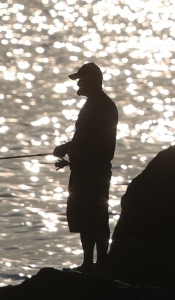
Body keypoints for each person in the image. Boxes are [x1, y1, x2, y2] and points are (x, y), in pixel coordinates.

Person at [52, 62, 119, 272]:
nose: (78, 83)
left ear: (94, 81)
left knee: (96, 217)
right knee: (83, 215)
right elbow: (84, 139)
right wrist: (69, 153)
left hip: (96, 171)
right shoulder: (91, 104)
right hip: (82, 169)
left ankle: (100, 264)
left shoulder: (105, 106)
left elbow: (105, 146)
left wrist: (75, 152)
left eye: (82, 79)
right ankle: (88, 263)